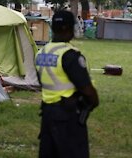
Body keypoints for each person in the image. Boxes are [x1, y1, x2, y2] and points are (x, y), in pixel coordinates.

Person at [35, 10, 99, 158]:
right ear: (68, 28)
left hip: (48, 114)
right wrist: (92, 103)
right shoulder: (70, 55)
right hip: (67, 115)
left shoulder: (41, 52)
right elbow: (87, 90)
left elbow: (42, 81)